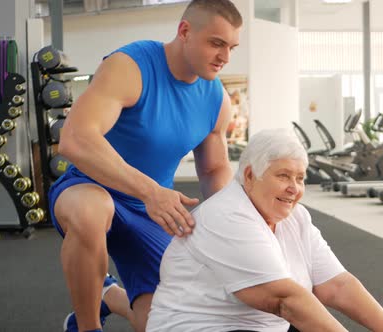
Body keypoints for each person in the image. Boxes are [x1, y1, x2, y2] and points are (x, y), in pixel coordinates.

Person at [48, 1, 242, 331]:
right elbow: (74, 139)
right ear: (185, 32)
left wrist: (233, 223)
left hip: (151, 209)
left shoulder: (216, 99)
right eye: (216, 43)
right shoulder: (131, 66)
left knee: (162, 322)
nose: (225, 57)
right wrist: (150, 190)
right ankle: (86, 326)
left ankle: (108, 295)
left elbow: (212, 170)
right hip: (88, 187)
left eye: (232, 47)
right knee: (93, 211)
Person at [146, 129, 383, 331]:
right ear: (249, 176)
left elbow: (337, 285)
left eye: (300, 178)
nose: (294, 187)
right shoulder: (227, 215)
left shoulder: (297, 218)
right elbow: (285, 301)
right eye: (283, 176)